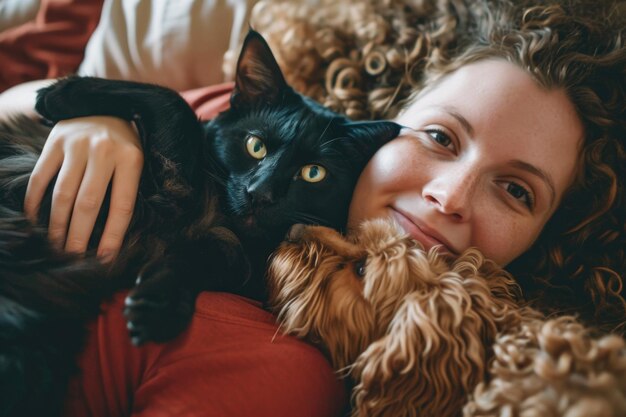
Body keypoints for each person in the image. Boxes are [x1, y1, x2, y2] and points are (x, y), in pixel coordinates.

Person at [0, 0, 624, 415]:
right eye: (439, 137)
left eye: (516, 190)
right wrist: (101, 115)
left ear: (542, 241)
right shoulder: (283, 127)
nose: (449, 195)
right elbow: (19, 101)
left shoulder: (286, 374)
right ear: (389, 122)